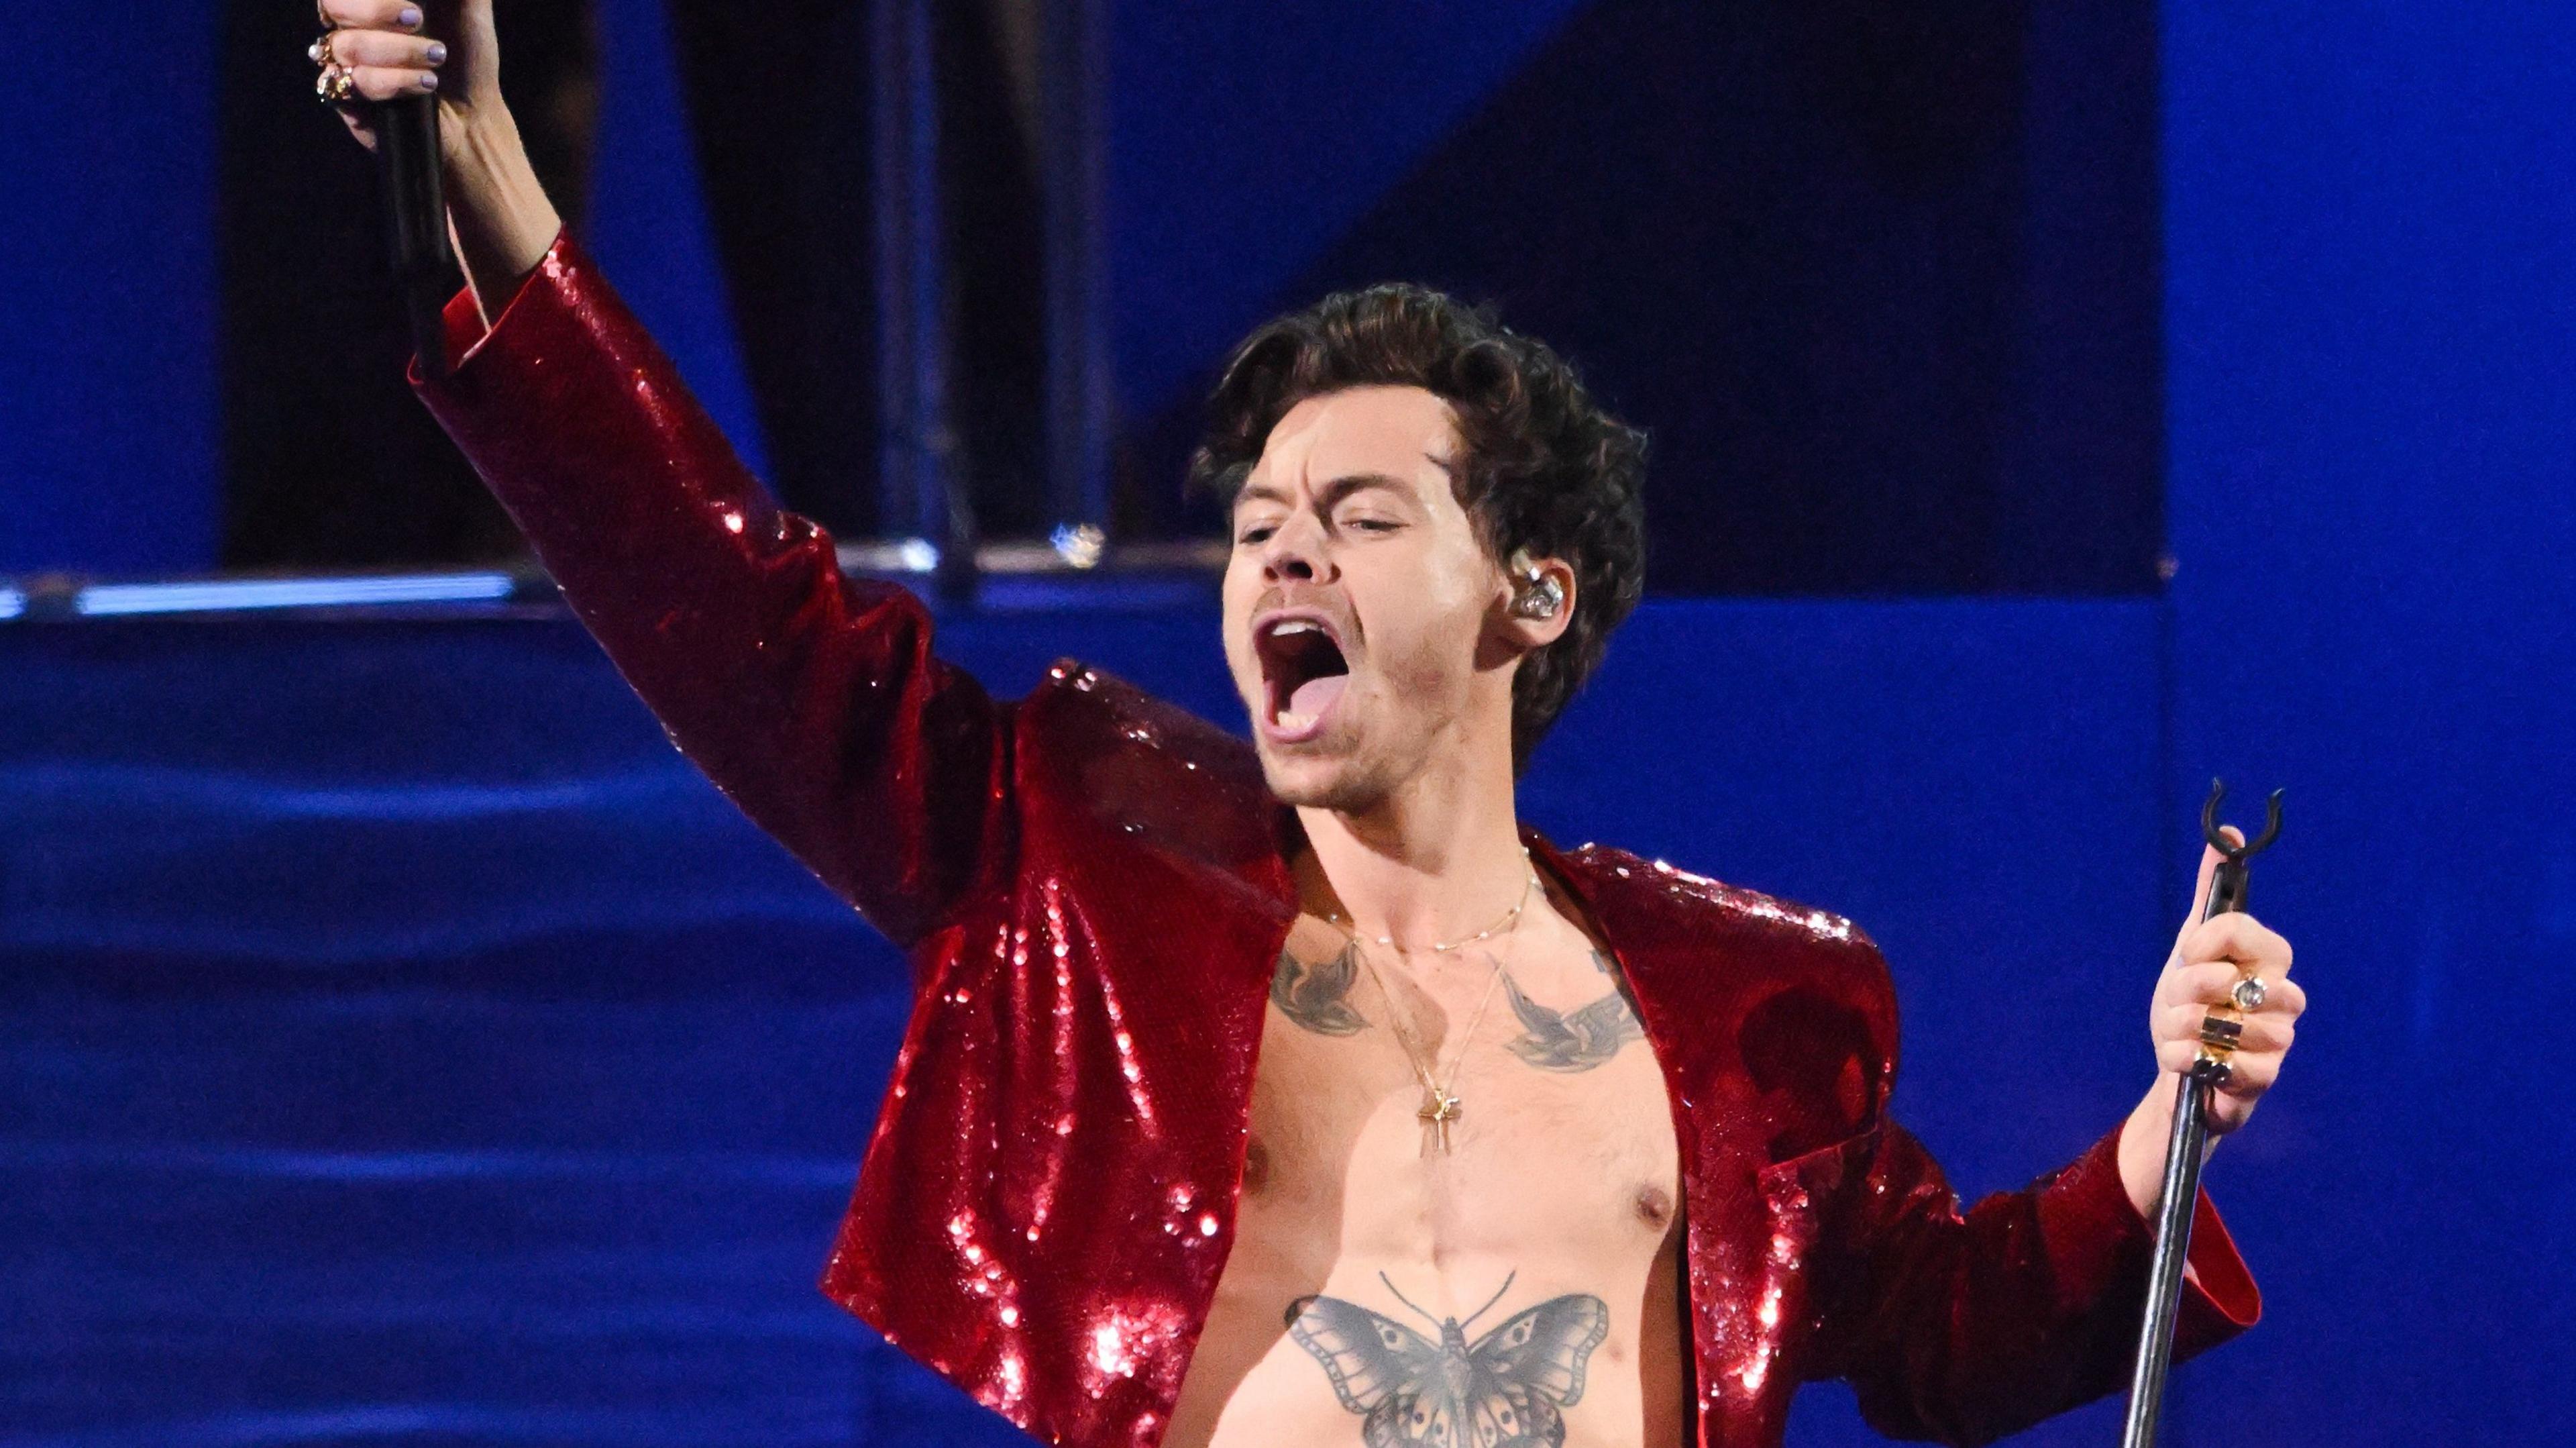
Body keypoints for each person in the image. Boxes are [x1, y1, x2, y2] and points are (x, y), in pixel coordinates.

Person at [314, 4, 2302, 1445]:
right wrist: (494, 183)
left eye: (1357, 518)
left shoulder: (1739, 1015)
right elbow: (738, 612)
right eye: (1258, 525)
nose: (1280, 558)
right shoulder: (1082, 882)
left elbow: (1953, 1329)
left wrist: (2165, 1120)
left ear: (1528, 595)